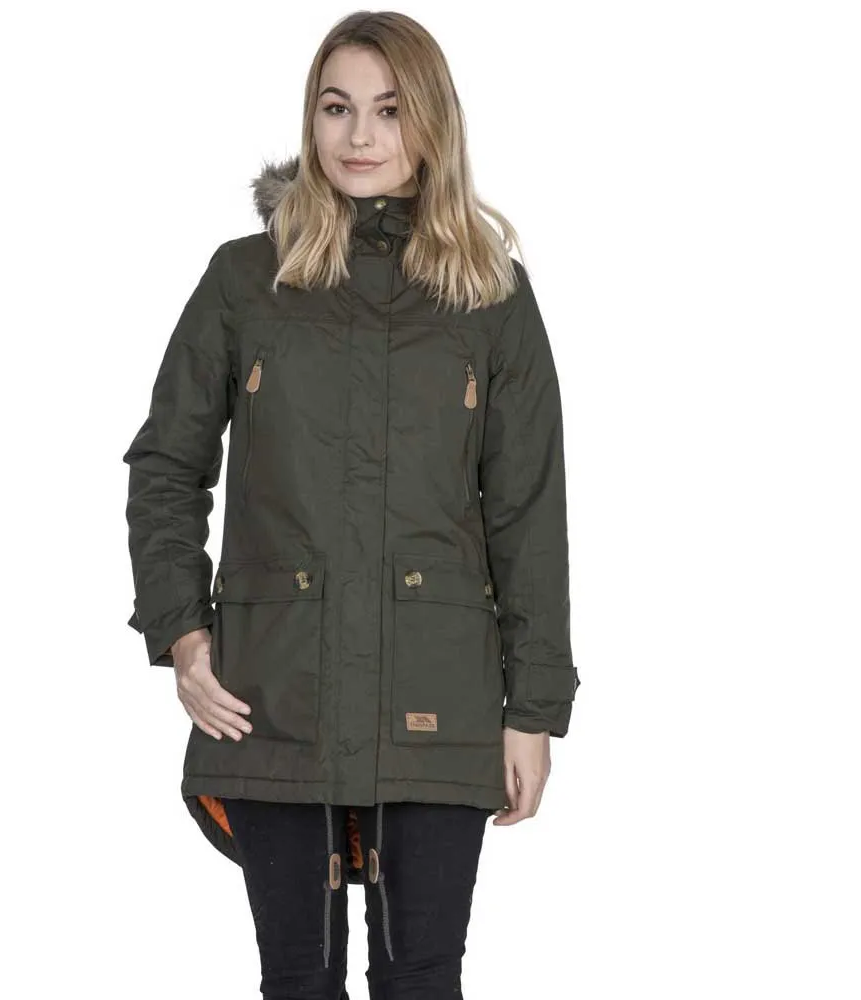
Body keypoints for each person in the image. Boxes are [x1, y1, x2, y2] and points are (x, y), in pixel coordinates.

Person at [122, 10, 581, 999]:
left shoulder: (490, 294)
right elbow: (165, 466)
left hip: (441, 691)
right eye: (337, 109)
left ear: (431, 122)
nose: (360, 136)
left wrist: (534, 710)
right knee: (298, 980)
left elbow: (528, 512)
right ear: (311, 119)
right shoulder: (247, 280)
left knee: (422, 981)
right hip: (273, 690)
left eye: (389, 110)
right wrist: (182, 636)